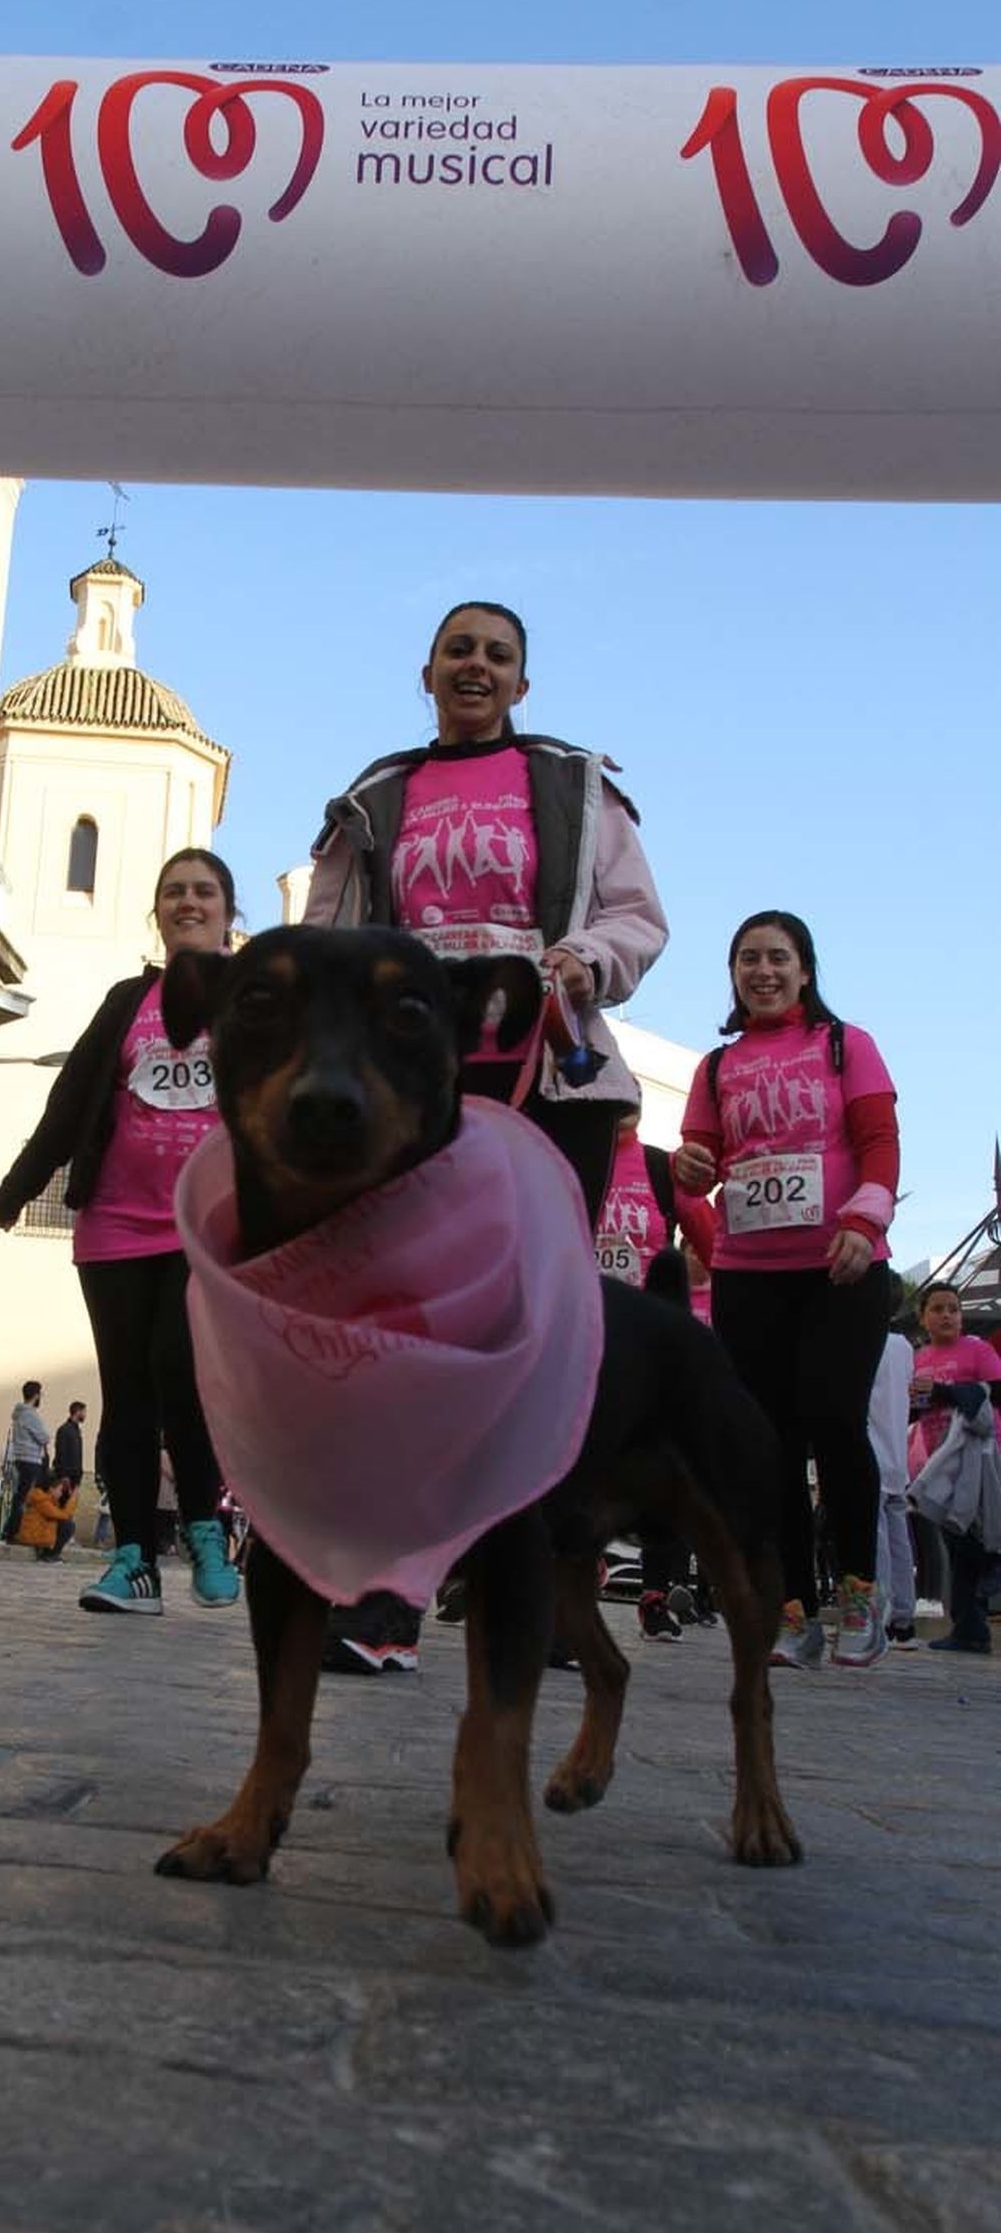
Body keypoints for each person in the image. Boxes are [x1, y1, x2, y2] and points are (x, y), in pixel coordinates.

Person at [304, 599, 668, 1671]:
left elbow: (636, 915)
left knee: (539, 1333)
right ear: (426, 673)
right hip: (413, 1092)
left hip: (554, 1079)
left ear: (521, 682)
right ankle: (383, 1603)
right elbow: (328, 934)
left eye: (496, 655)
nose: (475, 666)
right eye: (458, 650)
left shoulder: (573, 782)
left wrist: (580, 964)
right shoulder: (374, 797)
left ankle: (548, 1587)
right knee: (404, 1332)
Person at [0, 848, 240, 1614]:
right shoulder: (129, 1000)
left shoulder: (258, 1000)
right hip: (114, 1227)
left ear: (229, 912)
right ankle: (132, 1558)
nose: (187, 902)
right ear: (158, 912)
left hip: (207, 1227)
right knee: (127, 1392)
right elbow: (71, 1102)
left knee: (178, 1367)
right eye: (173, 892)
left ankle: (202, 1524)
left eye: (203, 891)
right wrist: (18, 1186)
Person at [674, 911, 898, 1672]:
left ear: (805, 969)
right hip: (748, 1277)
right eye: (747, 959)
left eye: (777, 957)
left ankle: (861, 1596)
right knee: (768, 1446)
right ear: (733, 975)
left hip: (841, 1269)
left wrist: (865, 1224)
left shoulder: (845, 1045)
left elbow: (878, 1143)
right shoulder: (716, 1067)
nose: (762, 970)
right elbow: (697, 1158)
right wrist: (693, 1168)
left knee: (833, 1418)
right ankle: (793, 1612)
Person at [595, 1110, 717, 1642]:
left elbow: (716, 1244)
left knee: (663, 1467)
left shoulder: (661, 1167)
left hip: (646, 1344)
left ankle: (657, 1593)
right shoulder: (576, 1157)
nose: (626, 1098)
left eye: (635, 1091)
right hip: (584, 1336)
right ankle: (577, 1568)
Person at [908, 1280, 1001, 1655]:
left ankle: (971, 1621)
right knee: (955, 1539)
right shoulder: (919, 1359)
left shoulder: (976, 1350)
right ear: (923, 1318)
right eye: (938, 1309)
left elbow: (997, 1388)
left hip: (978, 1458)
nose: (947, 1315)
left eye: (953, 1309)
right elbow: (911, 1408)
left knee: (971, 1539)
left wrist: (947, 1393)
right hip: (939, 1461)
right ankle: (968, 1625)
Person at [868, 1306, 918, 1650]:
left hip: (872, 1450)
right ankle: (903, 1613)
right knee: (899, 1540)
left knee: (878, 1541)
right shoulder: (903, 1347)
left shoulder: (862, 1344)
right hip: (897, 1451)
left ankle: (881, 1616)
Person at [2, 1380, 51, 1540]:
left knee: (19, 1496)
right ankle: (12, 1531)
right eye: (40, 1394)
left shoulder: (19, 1414)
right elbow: (44, 1437)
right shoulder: (29, 1414)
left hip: (20, 1457)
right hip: (31, 1459)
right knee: (24, 1498)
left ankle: (11, 1530)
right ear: (36, 1395)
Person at [15, 1473, 79, 1561]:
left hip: (38, 1534)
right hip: (33, 1536)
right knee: (68, 1526)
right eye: (59, 1490)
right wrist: (73, 1499)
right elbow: (64, 1515)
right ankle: (50, 1554)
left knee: (64, 1524)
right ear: (51, 1489)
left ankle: (49, 1552)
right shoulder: (41, 1500)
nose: (61, 1493)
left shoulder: (48, 1500)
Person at [53, 1398, 86, 1490]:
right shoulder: (65, 1430)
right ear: (77, 1412)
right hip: (67, 1477)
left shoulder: (76, 1430)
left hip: (75, 1475)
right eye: (84, 1412)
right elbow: (61, 1452)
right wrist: (64, 1475)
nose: (85, 1415)